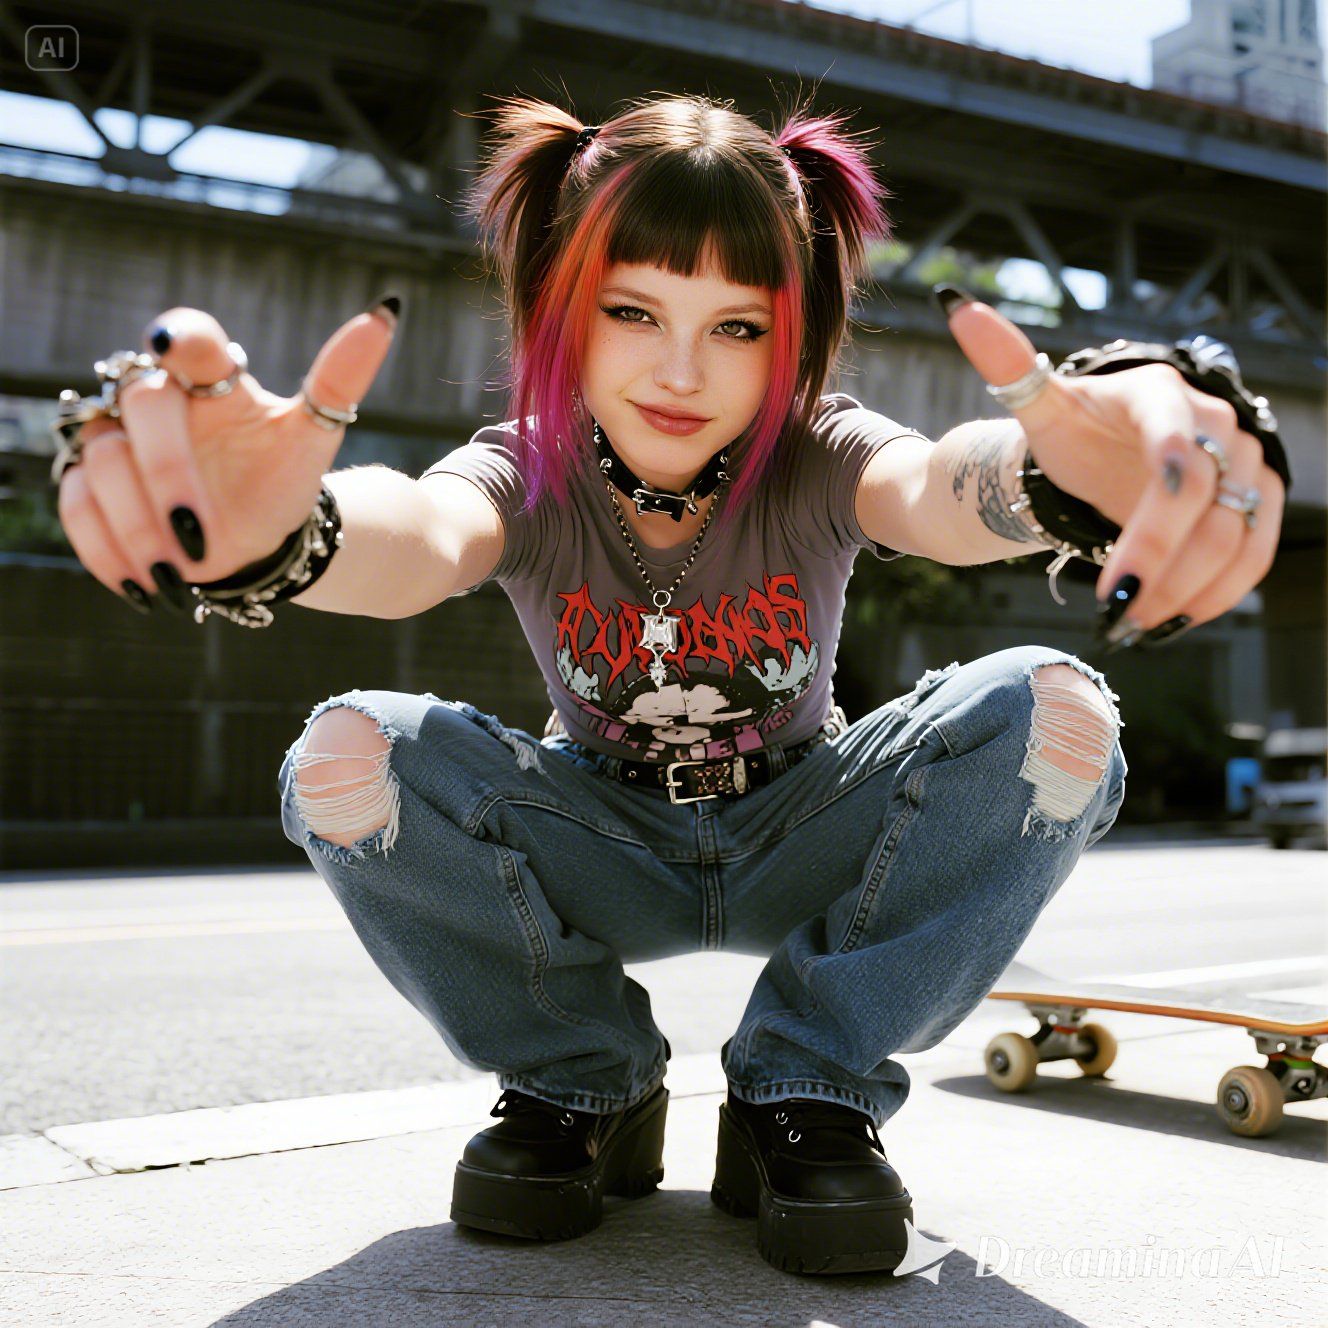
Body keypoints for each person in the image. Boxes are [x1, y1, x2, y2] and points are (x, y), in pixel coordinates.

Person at [51, 92, 1288, 1276]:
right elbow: (418, 536)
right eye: (631, 312)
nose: (681, 371)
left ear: (788, 341)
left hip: (801, 818)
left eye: (738, 327)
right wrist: (287, 533)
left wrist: (1056, 472)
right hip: (599, 830)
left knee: (1054, 713)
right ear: (558, 312)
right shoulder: (521, 468)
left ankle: (804, 1088)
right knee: (348, 755)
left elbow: (932, 490)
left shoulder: (817, 453)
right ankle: (581, 1078)